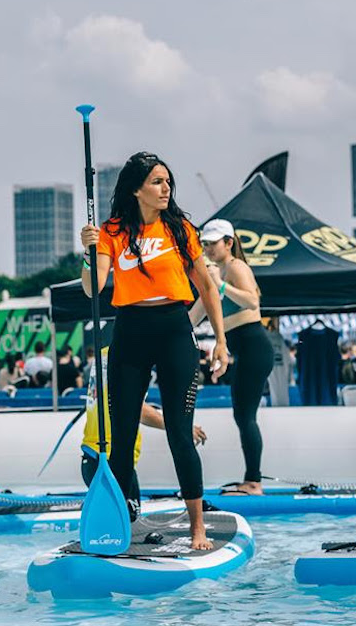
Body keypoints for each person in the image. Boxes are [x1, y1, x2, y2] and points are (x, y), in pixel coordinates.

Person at [80, 151, 228, 550]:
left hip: (174, 331)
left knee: (180, 434)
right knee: (121, 437)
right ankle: (121, 523)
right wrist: (88, 252)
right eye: (157, 182)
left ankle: (198, 528)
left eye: (167, 182)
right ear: (136, 189)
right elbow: (93, 287)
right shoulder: (112, 230)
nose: (165, 189)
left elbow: (208, 287)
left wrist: (221, 342)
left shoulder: (179, 228)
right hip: (129, 332)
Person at [189, 218, 274, 496]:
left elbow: (253, 301)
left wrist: (221, 286)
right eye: (205, 244)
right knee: (242, 415)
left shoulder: (236, 267)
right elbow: (195, 314)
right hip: (241, 350)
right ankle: (251, 478)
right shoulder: (216, 273)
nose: (208, 249)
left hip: (254, 347)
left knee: (245, 415)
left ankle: (253, 481)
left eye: (213, 244)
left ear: (228, 242)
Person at [80, 347, 207, 492]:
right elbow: (135, 408)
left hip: (95, 455)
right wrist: (179, 428)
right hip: (109, 459)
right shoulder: (131, 356)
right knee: (128, 514)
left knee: (119, 513)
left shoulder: (105, 353)